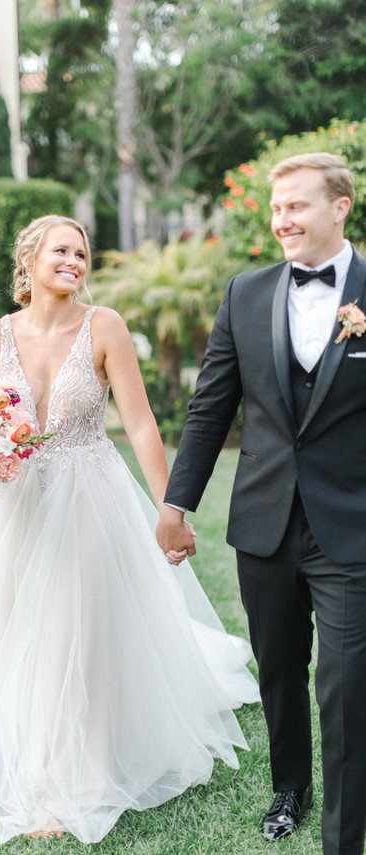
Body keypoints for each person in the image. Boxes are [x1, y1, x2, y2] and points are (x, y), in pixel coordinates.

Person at [0, 214, 259, 843]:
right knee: (11, 613)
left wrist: (170, 508)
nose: (75, 262)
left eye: (82, 254)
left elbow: (138, 424)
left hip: (89, 495)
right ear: (29, 259)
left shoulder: (103, 326)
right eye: (62, 250)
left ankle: (70, 776)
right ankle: (14, 723)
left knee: (71, 622)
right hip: (18, 502)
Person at [156, 153, 366, 855]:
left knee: (342, 681)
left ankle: (343, 832)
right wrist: (176, 503)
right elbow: (211, 406)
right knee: (278, 666)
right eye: (276, 209)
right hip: (264, 522)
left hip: (352, 524)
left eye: (297, 206)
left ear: (340, 207)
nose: (282, 220)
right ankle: (290, 788)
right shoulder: (245, 293)